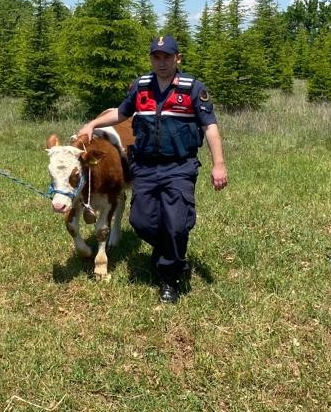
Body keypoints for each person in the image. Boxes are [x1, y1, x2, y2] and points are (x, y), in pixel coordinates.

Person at [76, 35, 227, 303]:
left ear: (177, 58)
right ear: (151, 59)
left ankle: (169, 278)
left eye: (167, 57)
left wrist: (219, 164)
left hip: (179, 166)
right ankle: (173, 253)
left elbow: (210, 127)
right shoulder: (142, 87)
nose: (161, 62)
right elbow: (121, 113)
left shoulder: (193, 89)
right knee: (141, 222)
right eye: (156, 57)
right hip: (145, 166)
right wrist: (91, 124)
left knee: (176, 224)